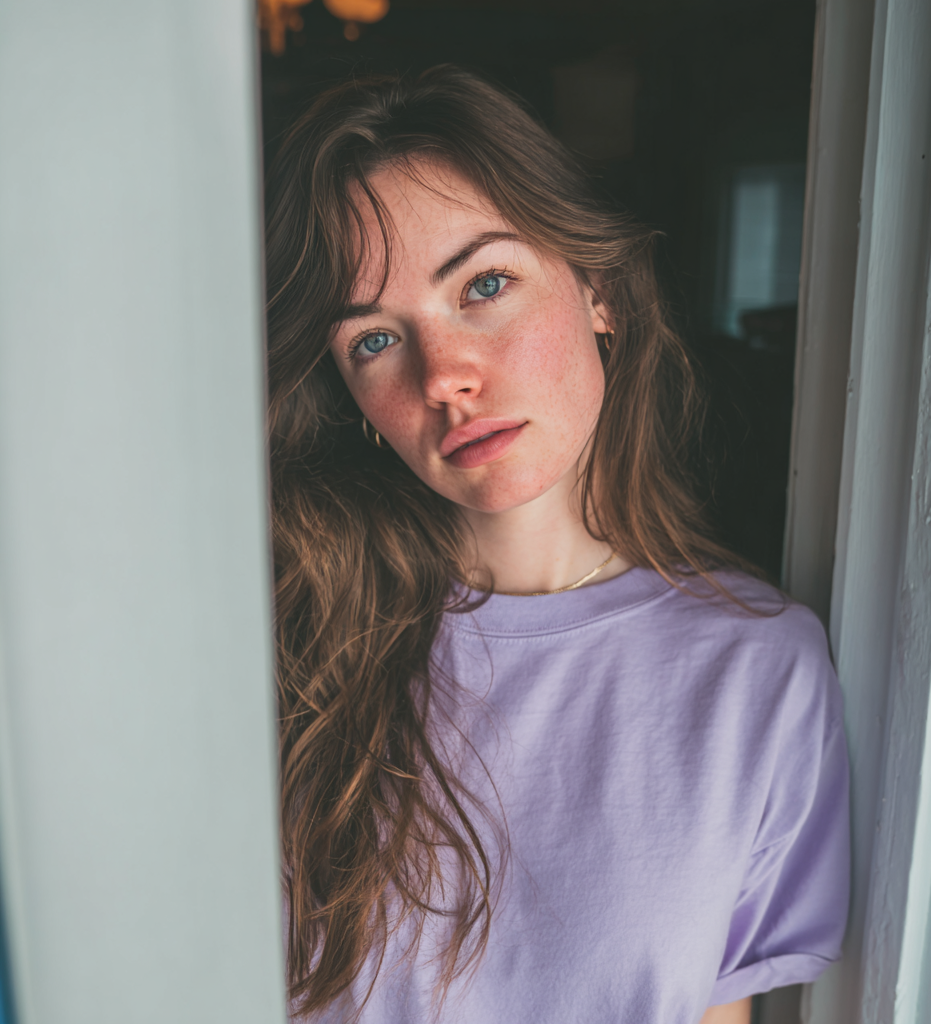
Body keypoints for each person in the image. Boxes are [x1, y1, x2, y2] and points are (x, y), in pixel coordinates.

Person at [264, 66, 849, 1024]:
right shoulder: (293, 647)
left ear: (599, 291)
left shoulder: (760, 673)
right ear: (353, 404)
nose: (447, 375)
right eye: (374, 340)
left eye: (484, 284)